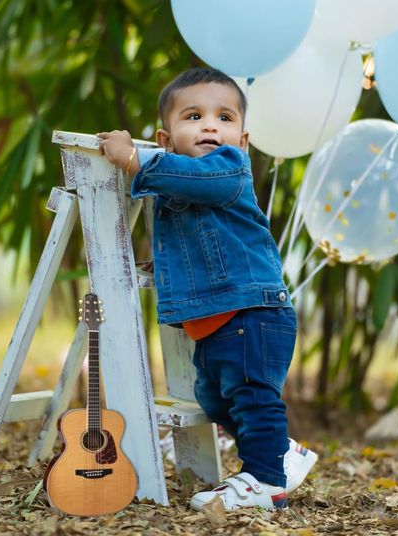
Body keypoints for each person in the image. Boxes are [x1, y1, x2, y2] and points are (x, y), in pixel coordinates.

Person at [97, 67, 317, 511]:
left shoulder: (227, 169)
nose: (211, 125)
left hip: (251, 310)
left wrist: (132, 160)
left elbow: (193, 180)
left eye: (224, 117)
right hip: (217, 320)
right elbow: (190, 241)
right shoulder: (177, 181)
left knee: (253, 395)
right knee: (215, 398)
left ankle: (266, 481)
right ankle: (281, 451)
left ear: (243, 139)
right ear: (165, 138)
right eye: (194, 116)